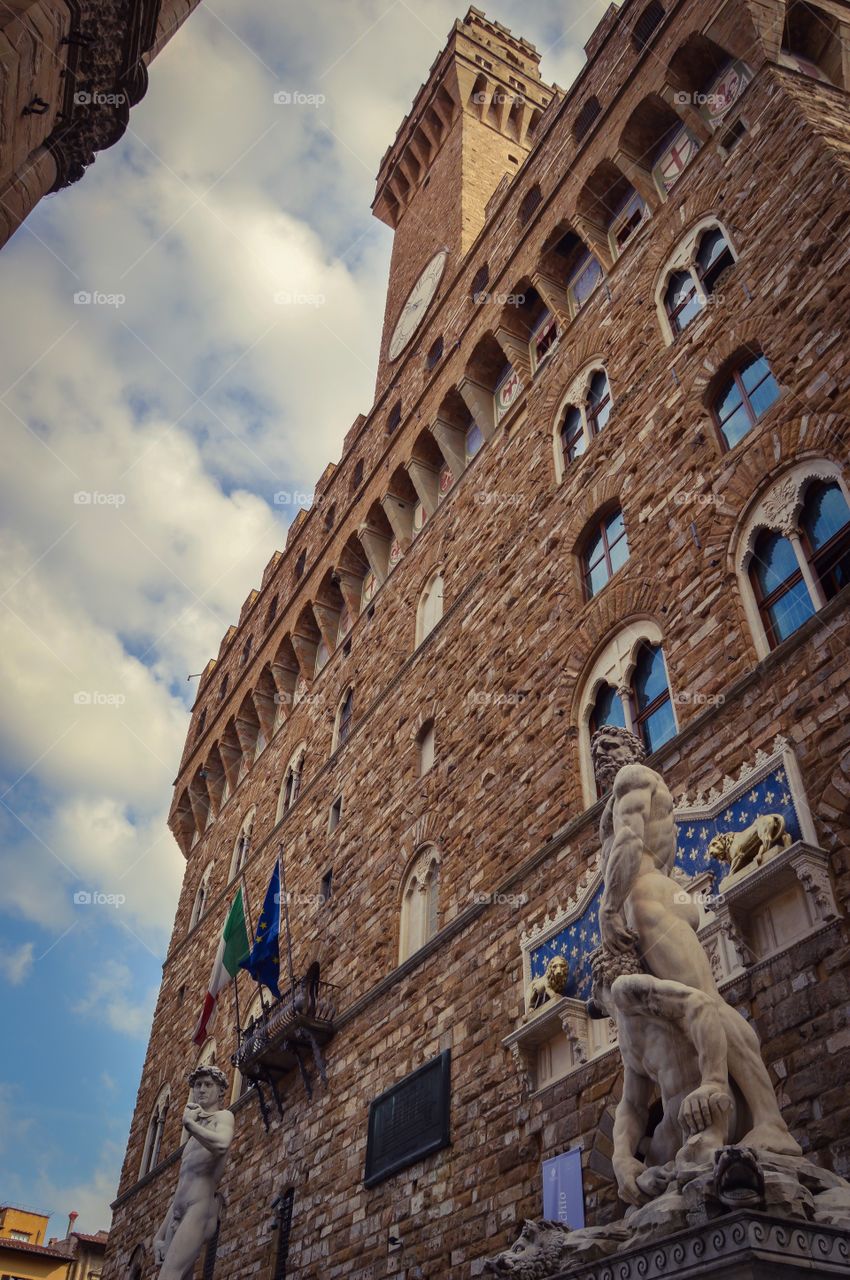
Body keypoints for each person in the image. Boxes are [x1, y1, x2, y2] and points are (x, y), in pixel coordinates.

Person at [591, 724, 800, 1158]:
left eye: (609, 745)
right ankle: (726, 1125)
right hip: (652, 897)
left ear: (632, 748)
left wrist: (609, 908)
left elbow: (630, 841)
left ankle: (770, 1120)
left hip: (649, 896)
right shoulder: (614, 799)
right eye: (595, 751)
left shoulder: (633, 777)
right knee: (680, 1013)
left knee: (704, 999)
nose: (601, 756)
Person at [153, 1065, 234, 1279]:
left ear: (220, 1091)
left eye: (208, 1085)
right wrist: (158, 1236)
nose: (202, 1090)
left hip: (199, 1209)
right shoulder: (191, 1140)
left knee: (169, 1276)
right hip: (177, 1213)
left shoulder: (223, 1117)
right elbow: (183, 1185)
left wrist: (190, 1124)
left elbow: (222, 1144)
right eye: (198, 1085)